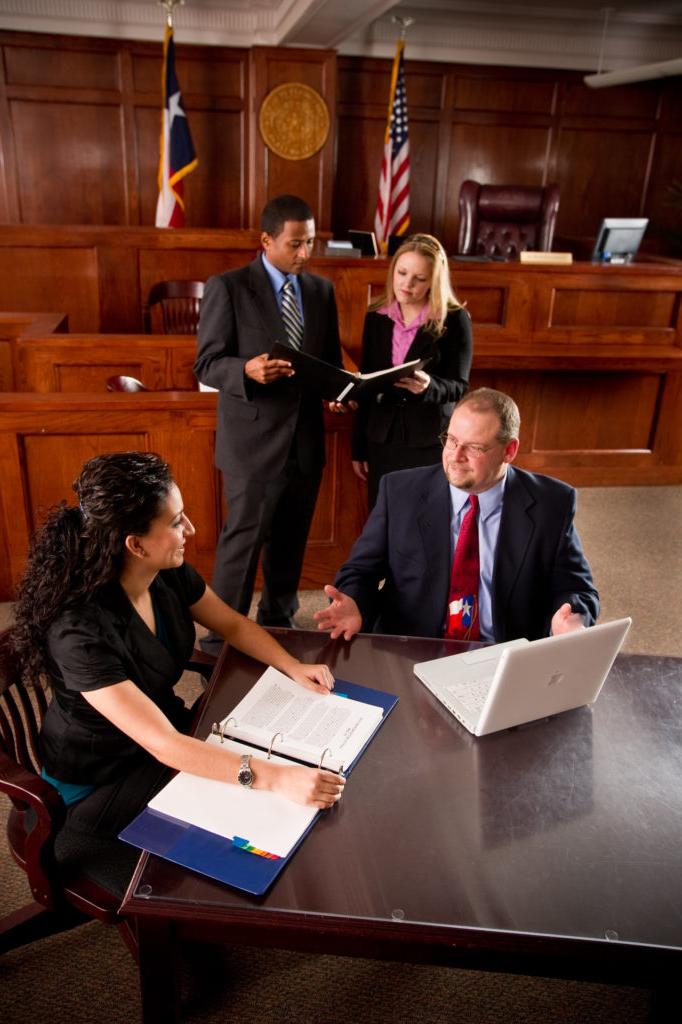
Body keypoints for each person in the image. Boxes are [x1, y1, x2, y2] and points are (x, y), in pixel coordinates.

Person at [11, 452, 344, 843]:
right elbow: (163, 744)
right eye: (174, 522)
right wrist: (277, 778)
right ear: (135, 544)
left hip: (165, 732)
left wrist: (291, 665)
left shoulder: (166, 570)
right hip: (102, 776)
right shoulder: (78, 632)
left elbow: (232, 624)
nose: (191, 528)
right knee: (249, 816)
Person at [315, 388, 599, 643]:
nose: (455, 456)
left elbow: (577, 589)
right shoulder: (400, 492)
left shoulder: (552, 502)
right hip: (415, 648)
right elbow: (360, 572)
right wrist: (355, 603)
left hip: (505, 652)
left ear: (509, 451)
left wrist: (573, 618)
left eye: (474, 447)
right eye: (451, 440)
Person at [193, 194, 342, 645]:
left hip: (305, 442)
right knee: (243, 543)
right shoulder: (229, 287)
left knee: (291, 539)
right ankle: (220, 637)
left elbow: (328, 361)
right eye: (296, 244)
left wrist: (340, 392)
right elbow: (206, 363)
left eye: (311, 243)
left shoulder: (320, 291)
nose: (304, 253)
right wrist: (246, 369)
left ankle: (278, 617)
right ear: (266, 240)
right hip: (253, 443)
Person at [351, 233, 473, 508]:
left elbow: (459, 385)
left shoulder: (454, 319)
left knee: (423, 520)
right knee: (383, 517)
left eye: (419, 278)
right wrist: (358, 447)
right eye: (402, 273)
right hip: (381, 437)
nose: (407, 284)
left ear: (434, 281)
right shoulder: (376, 316)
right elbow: (366, 384)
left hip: (428, 439)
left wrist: (429, 387)